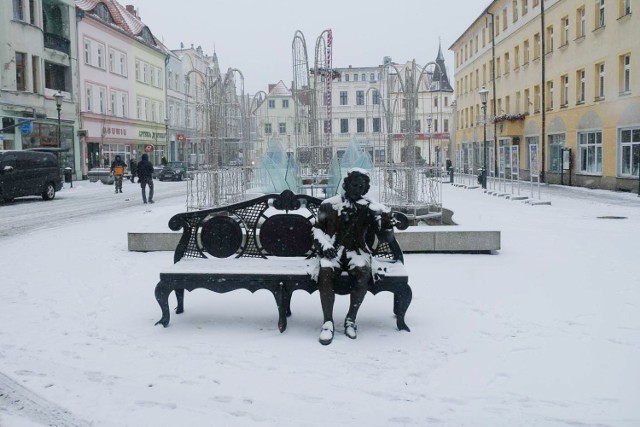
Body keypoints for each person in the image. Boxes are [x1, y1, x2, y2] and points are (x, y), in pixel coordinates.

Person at [312, 168, 396, 345]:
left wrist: (387, 220)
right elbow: (316, 229)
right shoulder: (329, 205)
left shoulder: (369, 208)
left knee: (363, 271)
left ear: (365, 189)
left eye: (361, 186)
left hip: (356, 251)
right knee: (325, 271)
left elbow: (384, 238)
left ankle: (351, 318)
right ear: (346, 185)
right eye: (354, 184)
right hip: (333, 250)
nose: (357, 189)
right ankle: (327, 322)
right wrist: (325, 245)